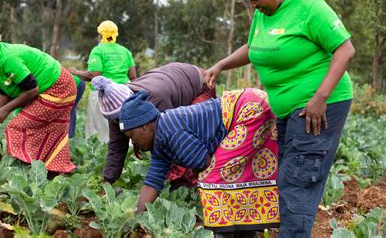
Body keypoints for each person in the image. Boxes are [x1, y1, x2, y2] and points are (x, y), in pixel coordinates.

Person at [205, 0, 355, 237]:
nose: (254, 5)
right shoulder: (264, 12)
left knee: (297, 182)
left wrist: (320, 97)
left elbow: (345, 50)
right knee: (288, 176)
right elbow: (253, 47)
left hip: (319, 106)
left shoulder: (309, 7)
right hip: (288, 111)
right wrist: (221, 65)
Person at [120, 89, 280, 236]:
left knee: (213, 180)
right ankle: (246, 232)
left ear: (143, 126)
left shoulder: (170, 131)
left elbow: (204, 164)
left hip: (248, 109)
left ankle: (226, 234)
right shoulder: (160, 140)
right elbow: (152, 182)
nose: (133, 143)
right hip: (250, 104)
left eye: (131, 136)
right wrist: (135, 220)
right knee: (231, 179)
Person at [0, 26, 76, 173]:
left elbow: (31, 90)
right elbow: (5, 94)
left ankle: (21, 170)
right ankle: (49, 170)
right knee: (37, 128)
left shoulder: (7, 58)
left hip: (58, 87)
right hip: (45, 89)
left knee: (17, 127)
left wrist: (7, 109)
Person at [91, 62, 215, 185]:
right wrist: (107, 182)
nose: (119, 122)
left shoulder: (154, 100)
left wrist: (157, 177)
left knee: (189, 147)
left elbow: (168, 142)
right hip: (172, 77)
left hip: (202, 82)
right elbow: (116, 147)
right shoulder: (115, 111)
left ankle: (202, 185)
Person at [69, 20, 136, 143]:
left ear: (100, 35)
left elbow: (94, 76)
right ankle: (128, 158)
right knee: (124, 126)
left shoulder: (98, 51)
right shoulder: (125, 51)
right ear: (115, 35)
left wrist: (76, 72)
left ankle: (103, 157)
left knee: (100, 130)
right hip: (124, 93)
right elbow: (133, 76)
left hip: (103, 95)